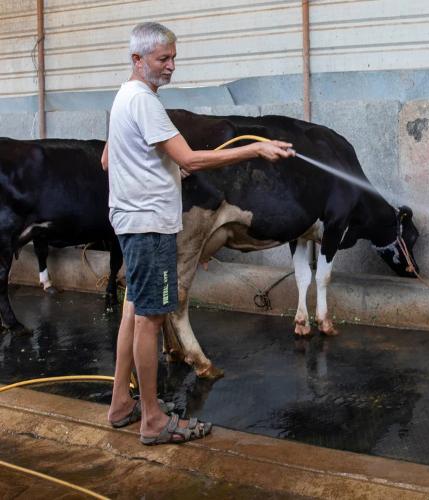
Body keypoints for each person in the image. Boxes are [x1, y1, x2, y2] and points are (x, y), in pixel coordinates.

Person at [102, 22, 294, 445]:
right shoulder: (146, 103)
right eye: (162, 59)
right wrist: (256, 148)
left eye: (173, 57)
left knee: (135, 311)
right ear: (138, 60)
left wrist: (166, 165)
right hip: (151, 228)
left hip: (131, 222)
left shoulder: (124, 97)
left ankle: (121, 403)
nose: (171, 66)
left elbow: (107, 159)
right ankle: (152, 419)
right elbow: (192, 158)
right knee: (152, 320)